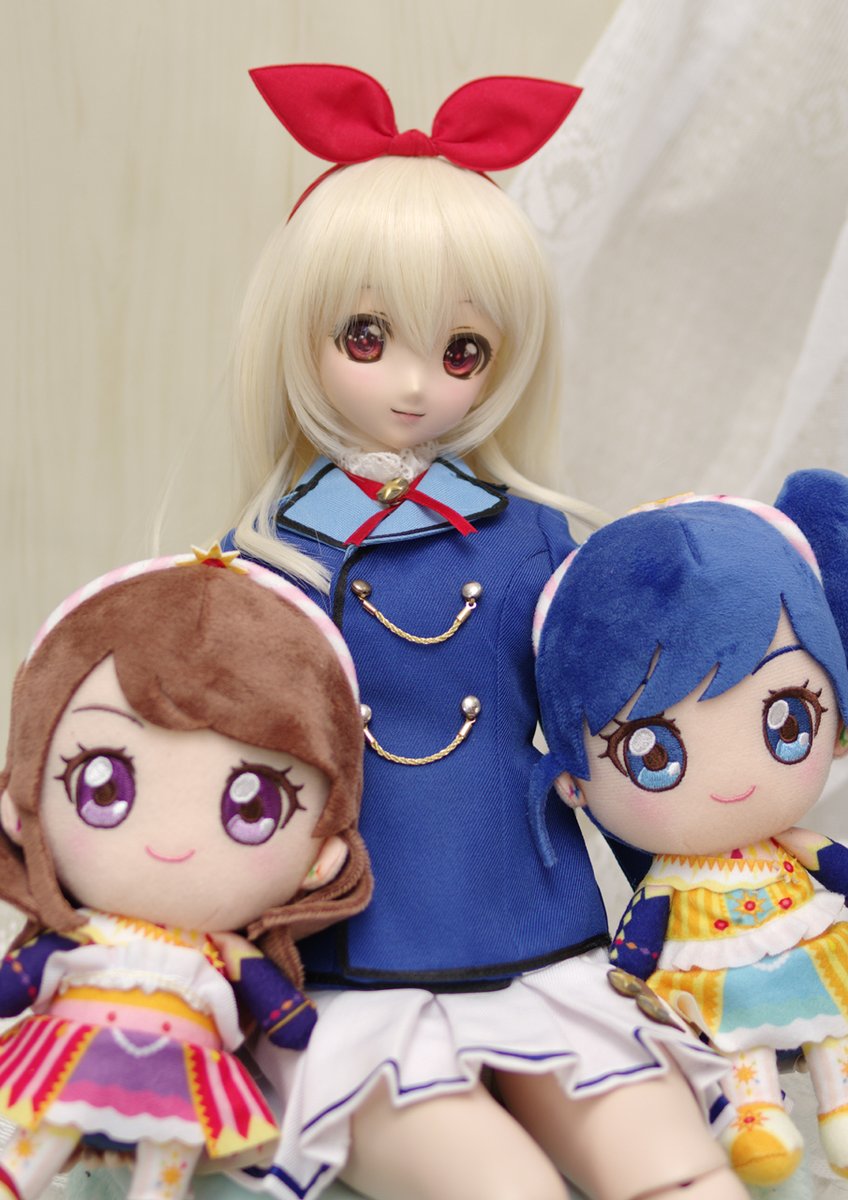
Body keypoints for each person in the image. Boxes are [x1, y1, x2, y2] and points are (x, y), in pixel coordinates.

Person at [223, 64, 744, 1200]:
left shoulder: (540, 540)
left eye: (461, 352)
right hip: (352, 960)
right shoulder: (267, 559)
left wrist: (688, 870)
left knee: (674, 1166)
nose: (415, 385)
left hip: (536, 925)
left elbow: (615, 730)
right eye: (366, 335)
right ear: (299, 332)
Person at [0, 547, 371, 1200]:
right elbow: (17, 983)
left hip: (182, 1077)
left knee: (166, 1166)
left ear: (324, 857)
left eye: (252, 808)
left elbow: (285, 1015)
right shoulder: (82, 936)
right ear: (20, 803)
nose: (170, 842)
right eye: (104, 786)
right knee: (38, 1144)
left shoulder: (222, 951)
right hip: (74, 1054)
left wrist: (289, 1017)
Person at [533, 471, 848, 1187]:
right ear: (574, 779)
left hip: (807, 952)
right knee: (736, 1053)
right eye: (654, 755)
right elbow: (637, 947)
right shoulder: (667, 882)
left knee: (835, 1032)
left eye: (787, 721)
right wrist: (626, 983)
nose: (733, 782)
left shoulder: (792, 846)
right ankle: (756, 1118)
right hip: (715, 987)